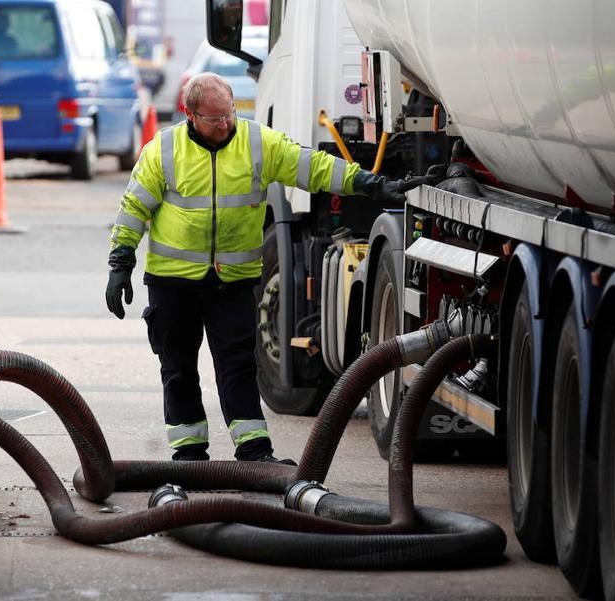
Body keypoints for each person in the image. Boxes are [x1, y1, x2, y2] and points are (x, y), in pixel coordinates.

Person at [106, 72, 409, 463]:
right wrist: (120, 263)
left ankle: (253, 450)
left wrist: (370, 184)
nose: (226, 124)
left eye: (229, 113)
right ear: (190, 115)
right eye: (215, 119)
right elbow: (133, 208)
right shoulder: (164, 150)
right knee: (178, 367)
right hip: (173, 282)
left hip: (231, 282)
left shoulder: (256, 142)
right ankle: (189, 452)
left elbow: (312, 167)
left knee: (237, 366)